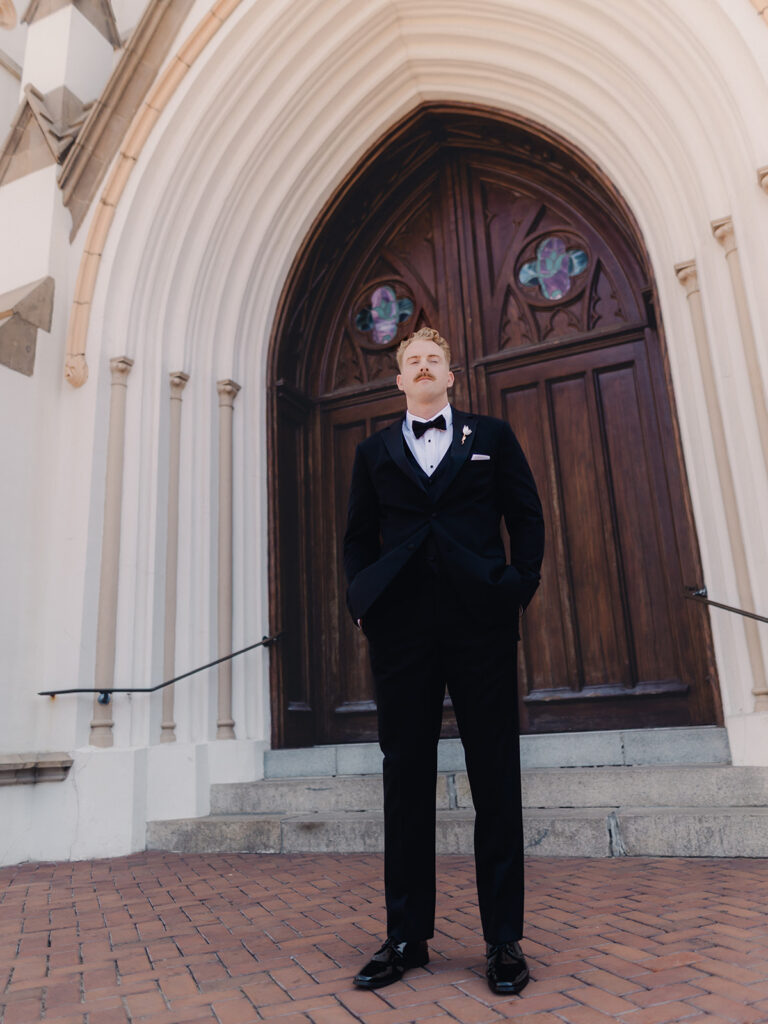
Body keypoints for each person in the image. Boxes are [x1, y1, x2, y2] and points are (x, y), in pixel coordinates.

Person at [343, 326, 545, 995]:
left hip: (479, 623)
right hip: (401, 632)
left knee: (495, 775)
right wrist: (365, 603)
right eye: (411, 362)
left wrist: (515, 586)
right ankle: (406, 936)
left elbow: (527, 514)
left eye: (434, 359)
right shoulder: (372, 452)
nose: (423, 367)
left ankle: (503, 941)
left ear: (450, 376)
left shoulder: (491, 437)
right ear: (398, 381)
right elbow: (357, 538)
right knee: (405, 777)